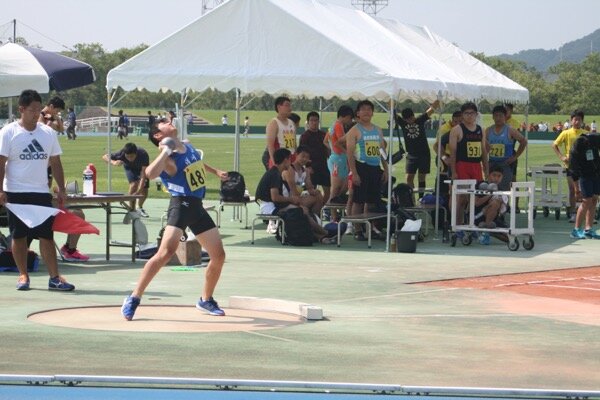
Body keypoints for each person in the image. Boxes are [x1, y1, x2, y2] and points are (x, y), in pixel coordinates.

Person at [121, 118, 228, 320]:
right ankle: (134, 297)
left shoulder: (186, 145)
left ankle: (206, 299)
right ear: (157, 135)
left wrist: (215, 171)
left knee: (219, 256)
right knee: (165, 253)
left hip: (197, 206)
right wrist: (165, 150)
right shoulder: (168, 158)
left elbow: (196, 162)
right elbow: (151, 174)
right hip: (181, 205)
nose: (169, 121)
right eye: (163, 122)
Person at [0, 89, 74, 291]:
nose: (36, 113)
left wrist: (61, 188)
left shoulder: (48, 133)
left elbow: (56, 161)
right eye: (32, 110)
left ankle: (54, 277)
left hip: (41, 191)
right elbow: (1, 162)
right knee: (19, 235)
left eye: (38, 109)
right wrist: (0, 190)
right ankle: (23, 275)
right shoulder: (8, 132)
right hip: (15, 191)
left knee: (46, 235)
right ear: (21, 109)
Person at [255, 148, 335, 244]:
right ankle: (325, 233)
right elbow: (275, 197)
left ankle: (320, 236)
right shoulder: (275, 175)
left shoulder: (276, 172)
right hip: (268, 207)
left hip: (272, 204)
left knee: (302, 210)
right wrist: (291, 199)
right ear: (285, 161)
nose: (291, 161)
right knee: (301, 211)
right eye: (289, 159)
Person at [344, 100, 388, 241]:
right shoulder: (355, 131)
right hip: (361, 167)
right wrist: (354, 172)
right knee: (358, 200)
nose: (366, 112)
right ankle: (357, 229)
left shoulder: (378, 130)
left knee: (373, 200)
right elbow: (350, 154)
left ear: (373, 113)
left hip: (375, 168)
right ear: (358, 113)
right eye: (363, 109)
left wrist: (386, 169)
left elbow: (382, 151)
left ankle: (370, 228)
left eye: (369, 109)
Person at [449, 102, 488, 229]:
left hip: (476, 166)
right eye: (466, 113)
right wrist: (454, 171)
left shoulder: (481, 130)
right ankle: (458, 225)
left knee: (476, 197)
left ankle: (472, 223)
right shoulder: (456, 130)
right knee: (462, 197)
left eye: (472, 113)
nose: (469, 116)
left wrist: (486, 169)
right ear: (462, 115)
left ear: (476, 115)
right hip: (462, 166)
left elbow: (483, 151)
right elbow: (453, 153)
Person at [396, 100, 440, 198]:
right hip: (411, 154)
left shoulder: (419, 120)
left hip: (424, 153)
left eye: (411, 118)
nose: (410, 120)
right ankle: (411, 199)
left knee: (421, 177)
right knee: (408, 178)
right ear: (404, 119)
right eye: (408, 119)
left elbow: (431, 110)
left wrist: (438, 100)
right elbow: (392, 111)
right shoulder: (402, 123)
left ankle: (421, 198)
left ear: (413, 115)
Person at [552, 110, 588, 223]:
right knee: (572, 190)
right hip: (570, 165)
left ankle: (584, 212)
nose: (577, 121)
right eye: (575, 119)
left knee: (584, 190)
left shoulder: (585, 133)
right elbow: (554, 145)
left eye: (579, 119)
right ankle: (573, 213)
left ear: (582, 121)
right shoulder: (566, 133)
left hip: (583, 165)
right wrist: (562, 157)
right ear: (571, 120)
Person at [483, 105, 528, 190]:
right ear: (493, 117)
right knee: (490, 190)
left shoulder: (510, 130)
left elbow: (523, 141)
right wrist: (485, 164)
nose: (498, 118)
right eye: (496, 115)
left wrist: (515, 157)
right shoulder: (488, 130)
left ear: (505, 116)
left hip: (505, 164)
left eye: (501, 116)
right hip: (492, 163)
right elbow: (484, 148)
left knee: (504, 190)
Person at [102, 143, 150, 217]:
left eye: (132, 156)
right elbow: (105, 157)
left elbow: (143, 174)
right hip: (130, 168)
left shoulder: (143, 154)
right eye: (127, 156)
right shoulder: (121, 153)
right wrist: (113, 162)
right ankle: (131, 210)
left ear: (136, 153)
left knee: (144, 190)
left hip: (142, 169)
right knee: (133, 185)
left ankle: (139, 208)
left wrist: (139, 191)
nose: (129, 158)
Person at [568, 132, 600, 239]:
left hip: (596, 173)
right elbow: (574, 173)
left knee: (594, 199)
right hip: (584, 175)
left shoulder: (593, 138)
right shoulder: (574, 152)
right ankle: (576, 230)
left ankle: (588, 229)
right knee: (586, 201)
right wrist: (577, 189)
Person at [325, 105, 354, 210]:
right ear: (346, 116)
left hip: (336, 157)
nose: (350, 121)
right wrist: (347, 152)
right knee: (336, 189)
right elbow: (338, 143)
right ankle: (328, 211)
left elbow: (325, 141)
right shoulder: (339, 126)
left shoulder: (332, 126)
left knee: (340, 187)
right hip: (339, 159)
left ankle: (333, 213)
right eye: (350, 118)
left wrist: (333, 151)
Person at [282, 145, 325, 216]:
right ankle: (313, 219)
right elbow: (294, 192)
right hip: (287, 200)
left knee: (318, 195)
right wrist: (307, 191)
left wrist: (315, 191)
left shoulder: (305, 171)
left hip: (297, 197)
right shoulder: (290, 169)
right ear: (296, 155)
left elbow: (310, 188)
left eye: (307, 157)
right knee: (316, 199)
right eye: (303, 156)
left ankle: (314, 218)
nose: (305, 159)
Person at [473, 166, 509, 245]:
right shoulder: (480, 185)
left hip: (494, 218)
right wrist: (490, 194)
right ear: (489, 175)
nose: (496, 178)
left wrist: (501, 204)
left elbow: (502, 211)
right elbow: (476, 203)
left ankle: (489, 230)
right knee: (495, 202)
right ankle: (486, 232)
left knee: (508, 239)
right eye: (494, 175)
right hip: (479, 215)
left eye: (499, 176)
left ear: (502, 177)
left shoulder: (501, 190)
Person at [300, 111, 330, 202]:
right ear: (308, 122)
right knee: (311, 191)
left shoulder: (323, 134)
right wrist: (306, 167)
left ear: (319, 121)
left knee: (328, 190)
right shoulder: (305, 136)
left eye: (316, 120)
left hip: (323, 166)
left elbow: (328, 148)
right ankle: (311, 209)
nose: (314, 122)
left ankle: (323, 208)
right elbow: (302, 153)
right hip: (311, 167)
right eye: (312, 120)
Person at [265, 96, 296, 169]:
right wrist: (275, 164)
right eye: (287, 105)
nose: (290, 108)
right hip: (280, 160)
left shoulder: (292, 123)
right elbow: (270, 146)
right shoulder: (274, 123)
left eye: (290, 105)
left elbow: (294, 144)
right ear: (279, 107)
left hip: (292, 158)